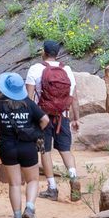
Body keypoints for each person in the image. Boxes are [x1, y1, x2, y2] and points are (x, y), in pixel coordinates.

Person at [0, 71, 45, 218]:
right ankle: (30, 208)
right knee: (32, 180)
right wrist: (37, 133)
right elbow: (44, 120)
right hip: (27, 147)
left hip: (8, 147)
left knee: (15, 184)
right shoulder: (29, 103)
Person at [27, 40, 82, 201]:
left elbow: (29, 98)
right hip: (62, 116)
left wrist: (29, 120)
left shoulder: (35, 69)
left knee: (45, 151)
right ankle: (73, 177)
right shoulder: (67, 70)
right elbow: (74, 98)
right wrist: (76, 119)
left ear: (43, 52)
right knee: (65, 150)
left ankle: (52, 188)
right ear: (57, 54)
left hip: (42, 117)